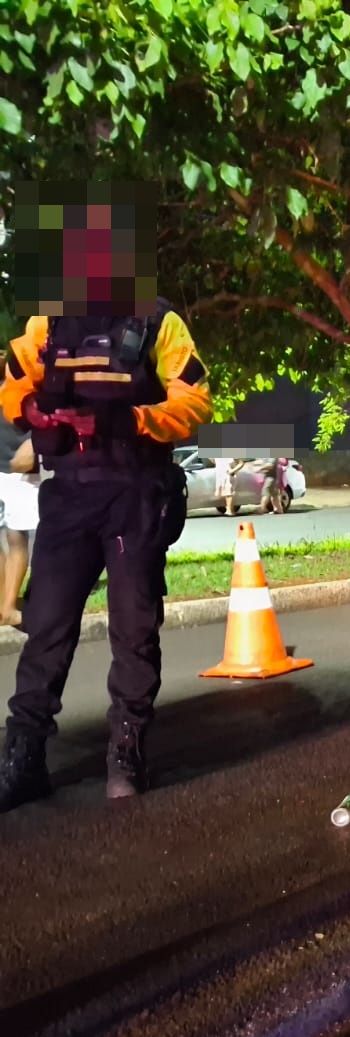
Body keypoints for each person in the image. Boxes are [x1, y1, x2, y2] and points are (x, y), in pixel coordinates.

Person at [0, 296, 212, 808]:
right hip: (69, 496)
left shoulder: (159, 322)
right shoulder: (47, 322)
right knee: (45, 628)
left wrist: (124, 420)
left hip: (135, 493)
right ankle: (23, 758)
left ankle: (126, 754)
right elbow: (12, 385)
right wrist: (31, 410)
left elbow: (196, 403)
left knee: (133, 630)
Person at [0, 430, 41, 625]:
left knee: (16, 537)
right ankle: (5, 607)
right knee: (16, 539)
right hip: (18, 461)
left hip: (20, 463)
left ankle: (6, 606)